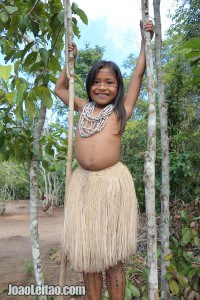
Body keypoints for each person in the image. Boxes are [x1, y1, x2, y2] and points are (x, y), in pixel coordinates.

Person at [55, 20, 154, 300]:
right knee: (88, 257)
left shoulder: (121, 110)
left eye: (109, 82)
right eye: (96, 82)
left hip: (112, 186)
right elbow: (61, 89)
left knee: (113, 258)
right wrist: (69, 61)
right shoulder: (83, 108)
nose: (102, 87)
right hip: (83, 185)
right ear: (88, 86)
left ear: (117, 87)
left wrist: (145, 40)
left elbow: (137, 76)